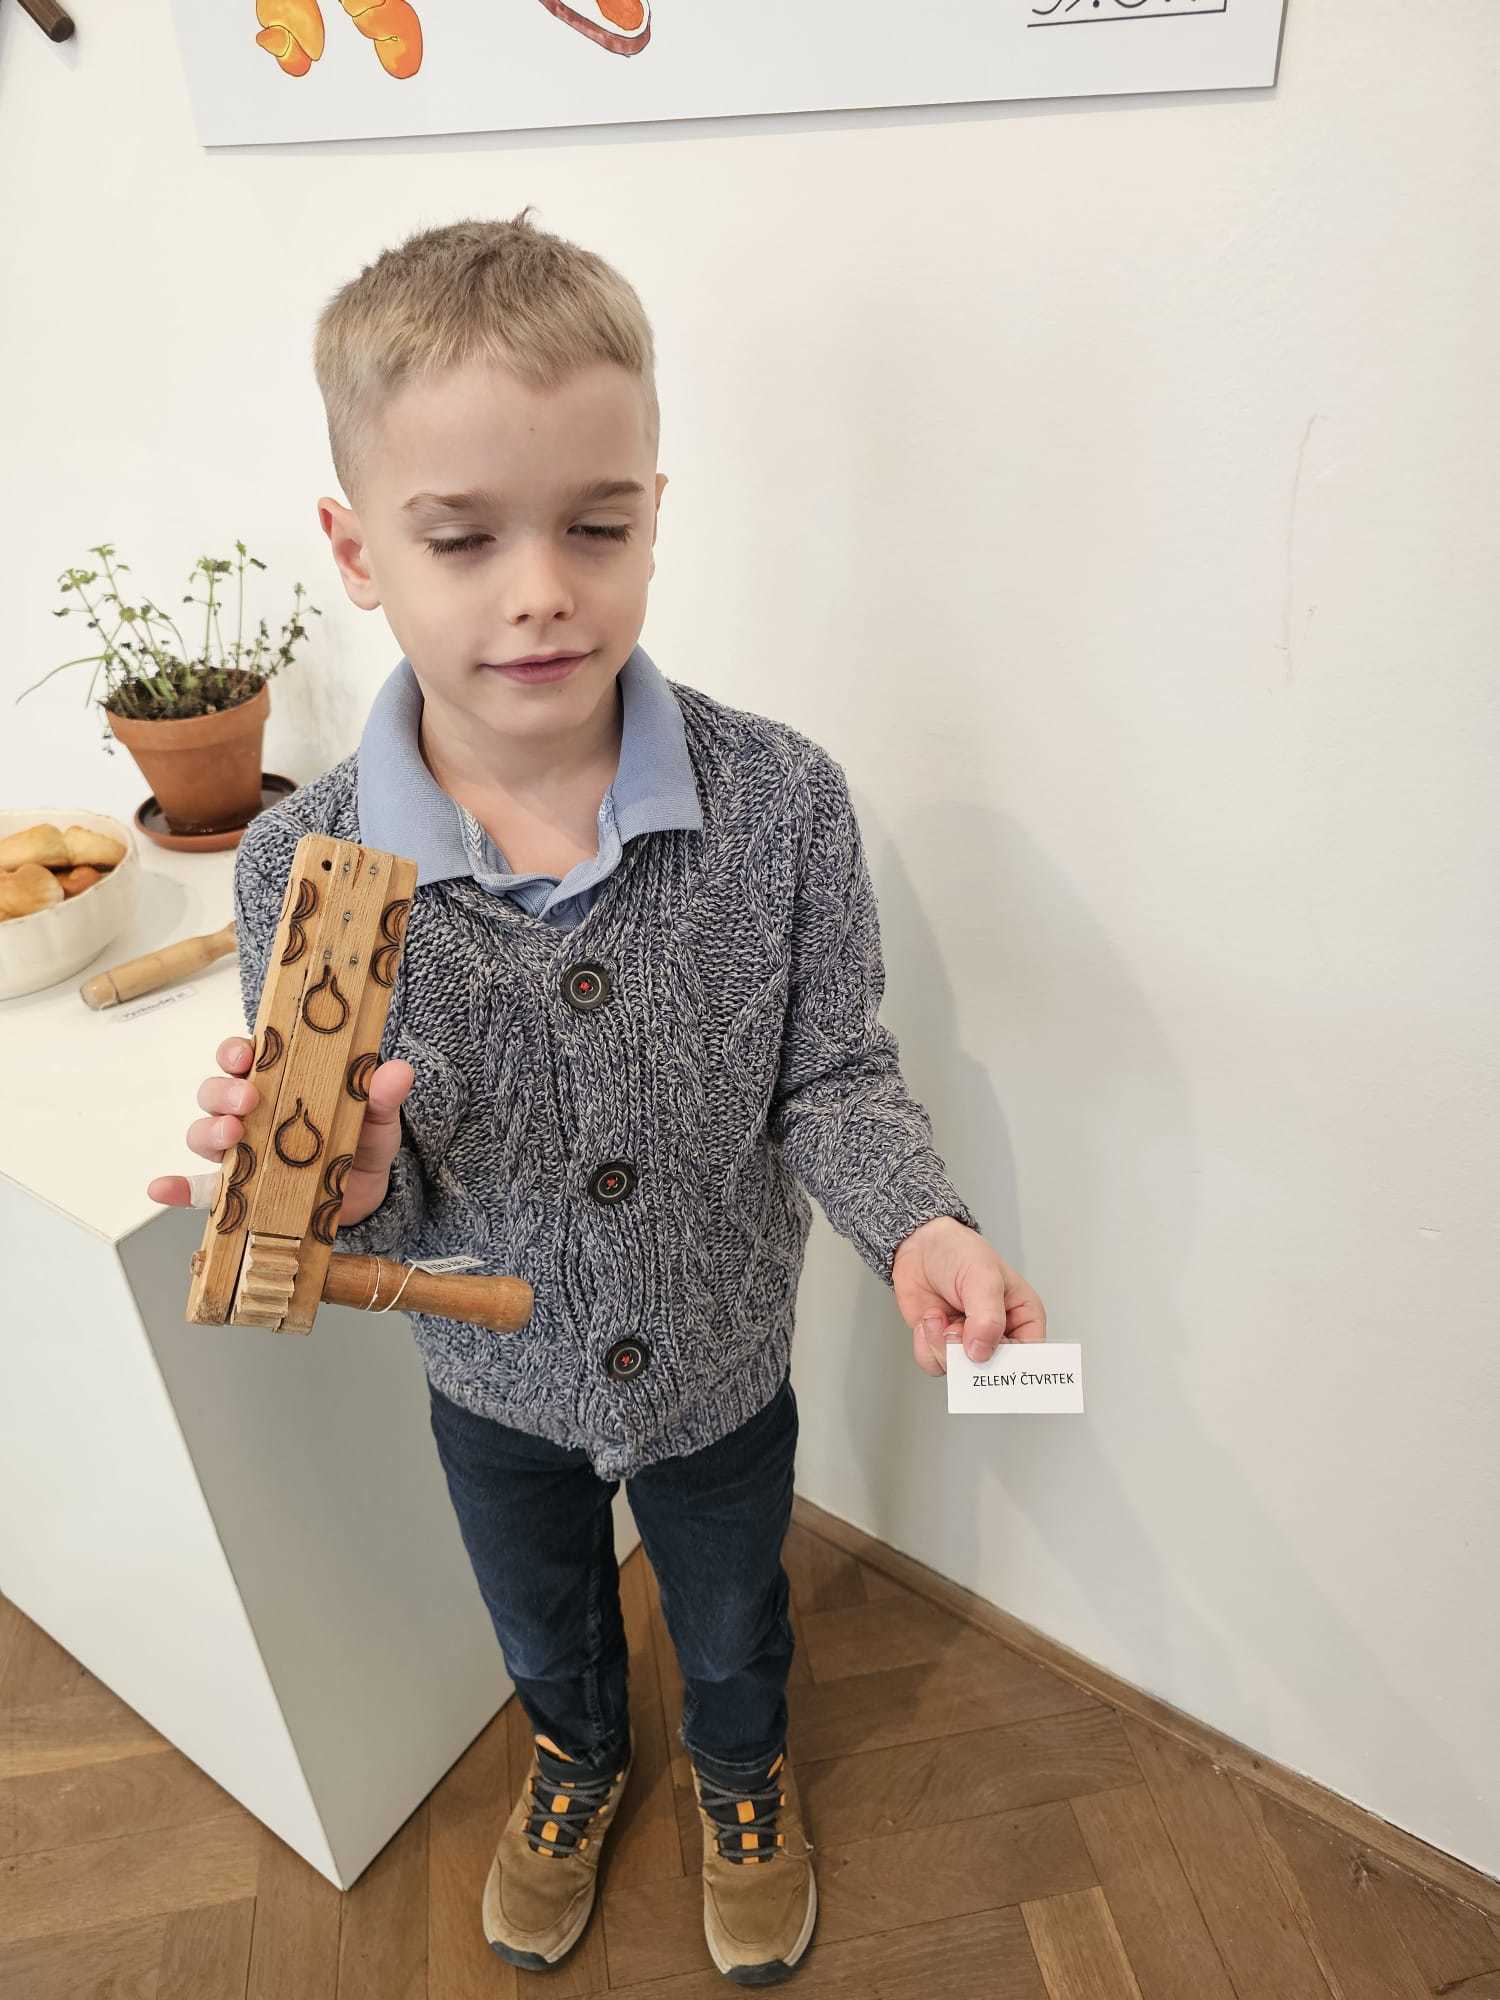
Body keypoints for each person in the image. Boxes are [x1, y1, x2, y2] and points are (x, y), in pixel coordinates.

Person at [148, 208, 1047, 1986]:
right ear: (356, 550)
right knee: (541, 1610)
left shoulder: (783, 804)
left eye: (596, 526)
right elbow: (353, 1200)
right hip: (491, 1378)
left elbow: (831, 1074)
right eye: (463, 538)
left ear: (656, 515)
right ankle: (573, 1755)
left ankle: (740, 1769)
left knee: (731, 1609)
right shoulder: (299, 869)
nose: (541, 588)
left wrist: (917, 1221)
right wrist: (343, 1181)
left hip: (720, 1357)